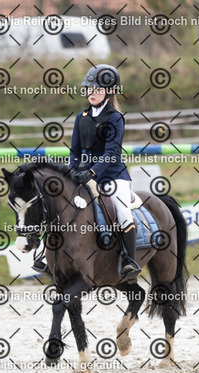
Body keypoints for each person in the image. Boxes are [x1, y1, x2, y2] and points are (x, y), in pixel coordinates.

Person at [69, 64, 141, 281]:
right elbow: (75, 150)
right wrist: (73, 170)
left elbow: (111, 152)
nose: (92, 93)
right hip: (86, 173)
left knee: (122, 212)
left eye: (97, 89)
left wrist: (91, 171)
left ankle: (129, 261)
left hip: (113, 175)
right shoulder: (81, 117)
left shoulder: (115, 118)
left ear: (109, 92)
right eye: (89, 88)